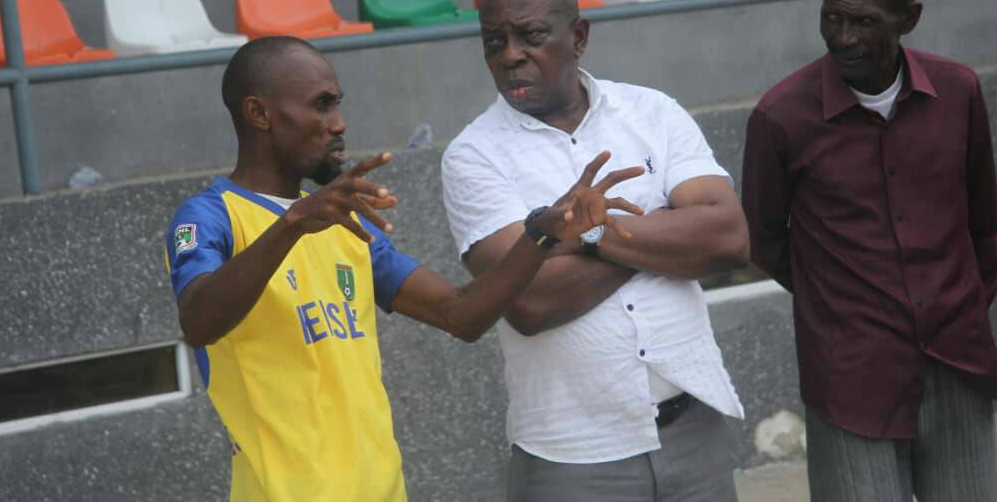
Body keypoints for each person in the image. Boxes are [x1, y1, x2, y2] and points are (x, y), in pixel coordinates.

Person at [163, 36, 646, 502]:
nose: (339, 124)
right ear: (259, 114)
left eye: (337, 105)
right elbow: (199, 322)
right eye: (322, 105)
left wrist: (540, 232)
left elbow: (462, 315)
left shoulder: (339, 221)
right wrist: (292, 223)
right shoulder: (211, 217)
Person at [441, 0, 750, 502]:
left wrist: (584, 236)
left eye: (530, 35)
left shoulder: (652, 113)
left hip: (692, 431)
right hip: (572, 456)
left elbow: (726, 238)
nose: (510, 54)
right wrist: (662, 234)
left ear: (577, 36)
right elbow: (529, 301)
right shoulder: (473, 156)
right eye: (494, 41)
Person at [741, 0, 997, 502]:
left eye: (864, 22)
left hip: (957, 361)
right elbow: (765, 242)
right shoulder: (780, 116)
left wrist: (953, 307)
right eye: (831, 17)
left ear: (908, 19)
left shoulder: (959, 91)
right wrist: (843, 304)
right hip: (849, 378)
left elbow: (984, 227)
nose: (843, 36)